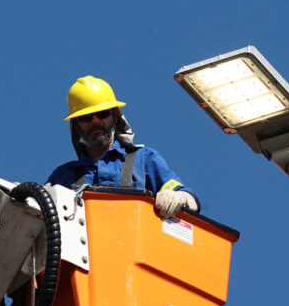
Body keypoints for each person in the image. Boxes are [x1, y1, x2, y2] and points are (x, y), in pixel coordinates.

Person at [47, 76, 200, 218]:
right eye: (86, 117)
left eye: (102, 114)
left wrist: (181, 198)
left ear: (115, 115)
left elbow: (184, 195)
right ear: (76, 125)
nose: (95, 122)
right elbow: (34, 213)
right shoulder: (63, 176)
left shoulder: (143, 159)